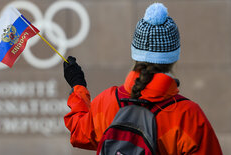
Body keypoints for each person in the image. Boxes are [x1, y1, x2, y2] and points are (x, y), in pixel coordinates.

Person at [62, 2, 223, 155]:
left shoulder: (108, 101)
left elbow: (79, 132)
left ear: (135, 53)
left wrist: (78, 85)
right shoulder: (188, 116)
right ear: (173, 58)